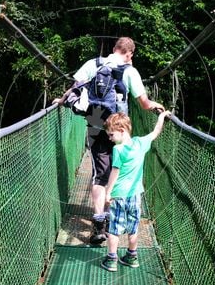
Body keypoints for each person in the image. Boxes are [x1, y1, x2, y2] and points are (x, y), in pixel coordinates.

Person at [54, 37, 165, 244]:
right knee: (119, 169)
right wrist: (157, 106)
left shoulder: (93, 63)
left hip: (96, 123)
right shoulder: (130, 71)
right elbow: (143, 103)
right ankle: (119, 215)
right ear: (130, 54)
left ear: (114, 49)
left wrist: (61, 101)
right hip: (119, 128)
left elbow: (75, 88)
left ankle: (98, 224)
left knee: (99, 174)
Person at [101, 110, 171, 272]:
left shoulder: (118, 150)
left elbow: (115, 172)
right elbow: (156, 132)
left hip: (119, 195)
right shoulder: (140, 143)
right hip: (135, 194)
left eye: (111, 135)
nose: (110, 139)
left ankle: (112, 259)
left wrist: (108, 192)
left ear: (121, 131)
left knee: (114, 228)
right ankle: (132, 256)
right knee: (133, 227)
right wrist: (162, 116)